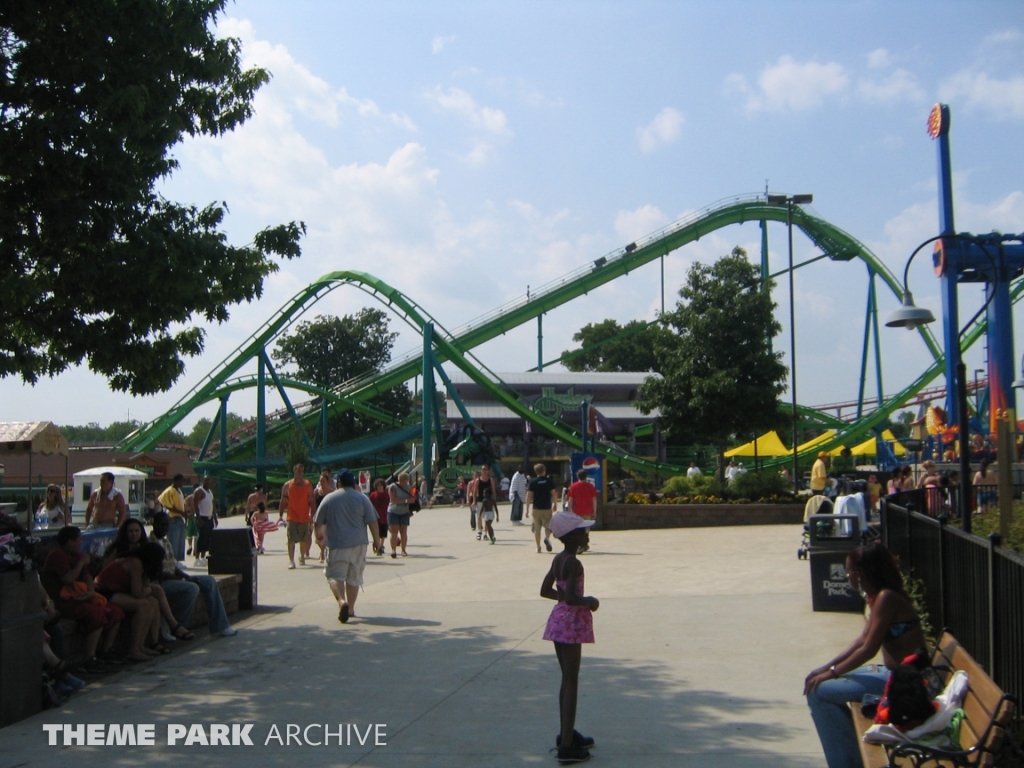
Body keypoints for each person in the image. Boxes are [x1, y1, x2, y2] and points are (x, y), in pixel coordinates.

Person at [804, 543, 926, 768]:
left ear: (860, 575)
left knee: (818, 692)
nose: (847, 576)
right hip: (892, 675)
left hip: (905, 683)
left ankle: (847, 763)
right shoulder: (880, 596)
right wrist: (826, 668)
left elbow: (869, 649)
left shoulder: (887, 599)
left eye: (848, 572)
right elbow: (860, 641)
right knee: (824, 681)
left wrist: (831, 673)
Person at [540, 511, 599, 764]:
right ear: (571, 536)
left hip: (557, 621)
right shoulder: (574, 563)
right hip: (572, 623)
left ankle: (566, 732)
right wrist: (589, 601)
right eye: (582, 531)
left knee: (566, 679)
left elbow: (545, 590)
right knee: (571, 681)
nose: (586, 535)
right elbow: (574, 597)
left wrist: (562, 599)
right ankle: (566, 745)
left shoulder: (558, 559)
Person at [41, 526, 124, 671]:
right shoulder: (57, 555)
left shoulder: (77, 555)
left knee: (115, 611)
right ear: (70, 542)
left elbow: (87, 578)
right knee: (96, 615)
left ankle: (105, 651)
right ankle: (88, 658)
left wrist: (91, 592)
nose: (81, 543)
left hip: (81, 597)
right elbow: (68, 579)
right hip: (62, 601)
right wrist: (81, 563)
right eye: (79, 540)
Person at [101, 517, 195, 643]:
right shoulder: (119, 549)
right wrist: (146, 589)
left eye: (137, 531)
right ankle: (139, 645)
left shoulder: (146, 548)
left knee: (156, 597)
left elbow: (147, 576)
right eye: (130, 532)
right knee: (146, 602)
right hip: (114, 589)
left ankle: (160, 637)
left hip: (132, 585)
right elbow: (106, 570)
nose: (134, 534)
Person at [151, 512, 237, 637]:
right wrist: (183, 580)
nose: (164, 528)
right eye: (161, 525)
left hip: (174, 577)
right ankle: (174, 626)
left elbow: (173, 566)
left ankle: (220, 626)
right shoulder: (150, 543)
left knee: (209, 581)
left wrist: (187, 577)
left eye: (166, 525)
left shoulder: (166, 542)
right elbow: (158, 573)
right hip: (161, 582)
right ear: (154, 525)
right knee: (192, 589)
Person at [314, 469, 381, 624]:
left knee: (334, 575)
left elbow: (318, 521)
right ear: (353, 482)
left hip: (337, 544)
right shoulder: (362, 498)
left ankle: (341, 601)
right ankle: (350, 608)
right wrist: (377, 542)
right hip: (359, 544)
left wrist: (320, 536)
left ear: (338, 482)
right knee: (354, 577)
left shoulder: (329, 499)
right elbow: (372, 521)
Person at [94, 542, 167, 661]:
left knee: (153, 602)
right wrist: (148, 589)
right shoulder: (135, 563)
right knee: (143, 605)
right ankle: (133, 649)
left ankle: (140, 645)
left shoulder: (142, 565)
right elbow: (138, 593)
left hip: (118, 590)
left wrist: (147, 588)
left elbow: (143, 587)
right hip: (103, 591)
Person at [281, 463, 316, 569]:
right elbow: (283, 500)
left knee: (303, 540)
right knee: (291, 539)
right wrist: (280, 515)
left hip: (304, 516)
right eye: (298, 471)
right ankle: (291, 560)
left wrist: (313, 516)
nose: (300, 473)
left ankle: (302, 556)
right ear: (294, 471)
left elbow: (312, 501)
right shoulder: (287, 485)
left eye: (302, 471)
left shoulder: (308, 485)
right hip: (292, 516)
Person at [527, 463, 558, 554]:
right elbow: (554, 493)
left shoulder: (532, 482)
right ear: (544, 471)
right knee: (548, 525)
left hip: (536, 507)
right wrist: (555, 504)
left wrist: (527, 509)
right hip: (547, 507)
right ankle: (547, 538)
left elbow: (528, 496)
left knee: (537, 528)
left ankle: (538, 546)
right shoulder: (549, 481)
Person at [158, 474, 188, 561]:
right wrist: (181, 512)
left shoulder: (179, 491)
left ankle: (179, 560)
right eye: (181, 481)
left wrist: (184, 513)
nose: (183, 483)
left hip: (180, 518)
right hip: (172, 518)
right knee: (173, 541)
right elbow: (168, 506)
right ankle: (172, 560)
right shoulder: (169, 491)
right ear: (176, 481)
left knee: (181, 540)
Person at [387, 472, 415, 558]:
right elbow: (393, 499)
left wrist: (410, 502)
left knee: (404, 531)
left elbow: (413, 498)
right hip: (393, 511)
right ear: (399, 480)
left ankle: (403, 550)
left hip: (404, 512)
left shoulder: (409, 487)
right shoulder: (392, 487)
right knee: (394, 531)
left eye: (406, 481)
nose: (404, 483)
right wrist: (406, 501)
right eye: (403, 481)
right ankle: (393, 550)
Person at [192, 475, 217, 567]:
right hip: (202, 517)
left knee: (207, 538)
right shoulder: (199, 491)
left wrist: (215, 518)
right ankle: (197, 558)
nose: (207, 482)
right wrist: (198, 518)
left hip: (209, 517)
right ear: (202, 481)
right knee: (201, 538)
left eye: (209, 480)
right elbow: (195, 504)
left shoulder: (210, 492)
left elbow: (212, 505)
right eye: (206, 480)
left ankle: (203, 557)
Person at [313, 469, 336, 564]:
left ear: (327, 482)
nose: (321, 483)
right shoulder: (316, 492)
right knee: (317, 536)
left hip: (328, 517)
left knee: (325, 536)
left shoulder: (331, 492)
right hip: (317, 517)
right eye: (320, 481)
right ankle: (323, 550)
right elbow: (312, 504)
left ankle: (322, 553)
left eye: (323, 481)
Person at [473, 465, 497, 541]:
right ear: (481, 470)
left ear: (488, 470)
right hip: (480, 500)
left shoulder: (491, 480)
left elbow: (493, 491)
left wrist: (494, 501)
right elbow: (475, 492)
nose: (484, 471)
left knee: (487, 518)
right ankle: (479, 531)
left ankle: (485, 533)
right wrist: (474, 501)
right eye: (483, 469)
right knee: (479, 517)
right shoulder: (478, 480)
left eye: (485, 469)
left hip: (488, 501)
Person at [368, 478, 390, 556]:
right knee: (377, 533)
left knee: (383, 533)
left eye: (381, 485)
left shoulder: (386, 494)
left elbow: (388, 503)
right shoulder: (373, 495)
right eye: (378, 486)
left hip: (384, 516)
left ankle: (381, 545)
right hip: (376, 517)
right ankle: (377, 545)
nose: (379, 487)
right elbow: (370, 505)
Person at [184, 492, 198, 557]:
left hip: (195, 515)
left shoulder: (189, 498)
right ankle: (192, 547)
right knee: (192, 532)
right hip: (193, 515)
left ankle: (193, 548)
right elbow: (187, 507)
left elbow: (186, 507)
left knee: (194, 532)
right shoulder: (189, 498)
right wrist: (189, 514)